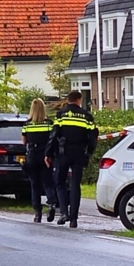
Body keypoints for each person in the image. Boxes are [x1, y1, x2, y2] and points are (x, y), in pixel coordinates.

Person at [45, 91, 98, 228]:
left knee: (60, 182)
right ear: (79, 100)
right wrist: (89, 153)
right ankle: (74, 219)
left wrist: (48, 153)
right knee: (75, 185)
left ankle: (64, 212)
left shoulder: (60, 115)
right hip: (79, 154)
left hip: (63, 153)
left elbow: (53, 135)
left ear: (68, 100)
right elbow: (93, 138)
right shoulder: (87, 116)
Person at [21, 98, 58, 223]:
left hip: (32, 155)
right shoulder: (49, 123)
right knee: (47, 182)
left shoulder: (27, 124)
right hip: (45, 156)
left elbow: (24, 142)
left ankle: (37, 213)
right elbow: (52, 140)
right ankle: (52, 203)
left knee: (35, 185)